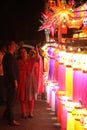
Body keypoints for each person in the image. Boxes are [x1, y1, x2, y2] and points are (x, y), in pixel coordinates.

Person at [17, 47, 39, 118]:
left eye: (24, 51)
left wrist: (36, 51)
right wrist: (23, 72)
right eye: (21, 52)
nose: (23, 53)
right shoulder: (19, 62)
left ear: (27, 53)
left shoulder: (31, 60)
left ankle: (30, 112)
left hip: (30, 80)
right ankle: (24, 113)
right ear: (20, 54)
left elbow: (37, 57)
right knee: (22, 97)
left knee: (31, 97)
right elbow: (17, 71)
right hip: (23, 81)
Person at [2, 41, 20, 126]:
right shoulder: (8, 56)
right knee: (11, 100)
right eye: (13, 45)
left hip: (10, 81)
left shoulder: (9, 56)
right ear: (9, 46)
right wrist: (15, 80)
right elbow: (10, 70)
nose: (15, 46)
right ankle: (11, 119)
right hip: (11, 82)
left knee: (10, 98)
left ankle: (6, 114)